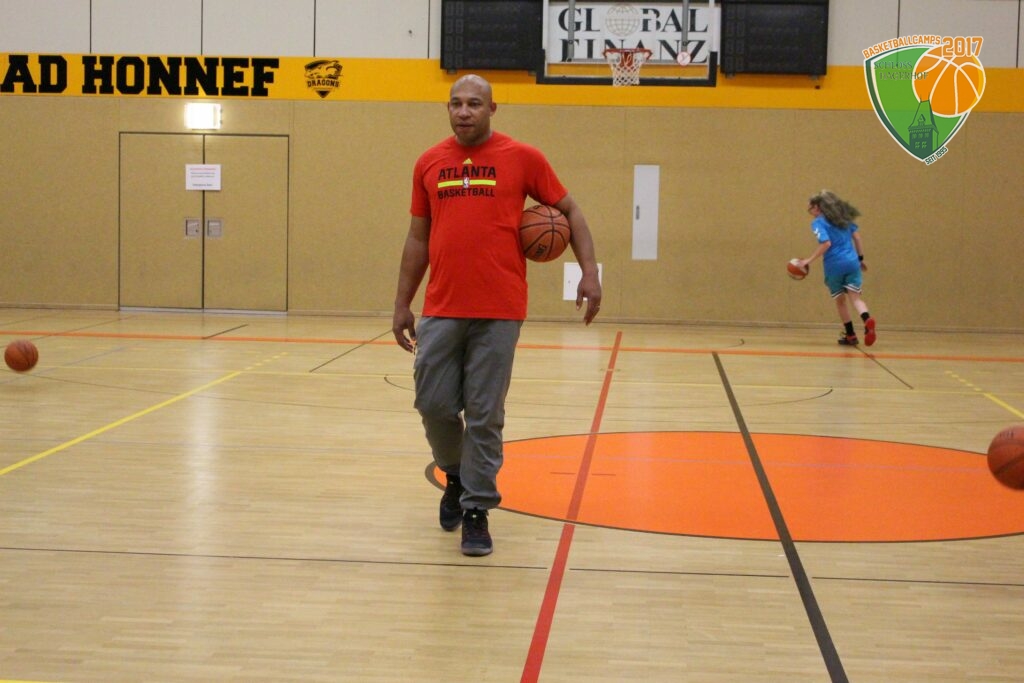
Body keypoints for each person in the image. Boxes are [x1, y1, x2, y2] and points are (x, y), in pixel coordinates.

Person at [392, 74, 602, 557]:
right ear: (448, 108)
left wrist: (589, 273)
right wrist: (403, 302)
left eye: (474, 103)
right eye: (456, 103)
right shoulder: (429, 162)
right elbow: (418, 237)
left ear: (492, 109)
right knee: (433, 405)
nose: (464, 111)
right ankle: (456, 474)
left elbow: (571, 212)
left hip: (500, 309)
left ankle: (476, 510)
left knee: (485, 415)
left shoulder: (523, 158)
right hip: (441, 306)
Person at [796, 190, 876, 346]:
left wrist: (808, 261)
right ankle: (867, 320)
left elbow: (826, 243)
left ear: (817, 207)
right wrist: (860, 259)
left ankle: (851, 335)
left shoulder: (818, 222)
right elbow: (857, 238)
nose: (810, 212)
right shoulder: (843, 219)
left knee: (840, 301)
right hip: (852, 262)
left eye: (810, 209)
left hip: (834, 265)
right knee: (856, 298)